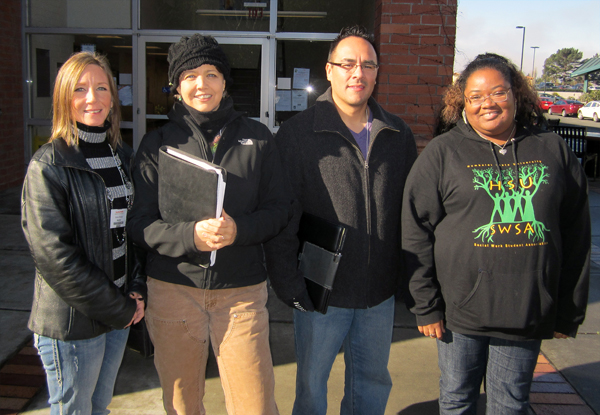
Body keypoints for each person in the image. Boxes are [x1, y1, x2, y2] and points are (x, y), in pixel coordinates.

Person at [402, 53, 590, 414]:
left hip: (526, 312)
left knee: (510, 403)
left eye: (498, 92)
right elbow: (415, 231)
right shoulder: (443, 154)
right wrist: (425, 306)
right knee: (456, 400)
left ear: (517, 95)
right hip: (459, 314)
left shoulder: (553, 151)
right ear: (462, 103)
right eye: (475, 96)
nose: (487, 102)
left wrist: (568, 310)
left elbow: (576, 234)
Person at [127, 34, 290, 415]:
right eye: (190, 75)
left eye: (211, 73)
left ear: (224, 81)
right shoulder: (157, 146)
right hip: (173, 289)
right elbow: (140, 224)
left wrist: (240, 230)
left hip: (241, 293)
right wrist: (190, 236)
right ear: (177, 87)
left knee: (256, 404)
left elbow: (281, 208)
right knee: (182, 405)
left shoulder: (258, 138)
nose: (202, 84)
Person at [264, 25, 417, 415]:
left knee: (371, 386)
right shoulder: (297, 135)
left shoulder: (398, 134)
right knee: (312, 390)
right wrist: (287, 282)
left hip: (378, 294)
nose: (358, 73)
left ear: (377, 73)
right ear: (329, 70)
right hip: (320, 294)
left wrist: (408, 278)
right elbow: (282, 213)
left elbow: (411, 215)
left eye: (368, 65)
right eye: (347, 64)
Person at [21, 51, 146, 415]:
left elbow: (132, 230)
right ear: (64, 98)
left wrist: (136, 289)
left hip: (121, 311)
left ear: (113, 96)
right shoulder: (49, 164)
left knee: (99, 407)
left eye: (101, 87)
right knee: (75, 411)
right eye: (80, 89)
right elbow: (55, 257)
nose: (92, 98)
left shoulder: (122, 157)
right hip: (74, 322)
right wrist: (119, 307)